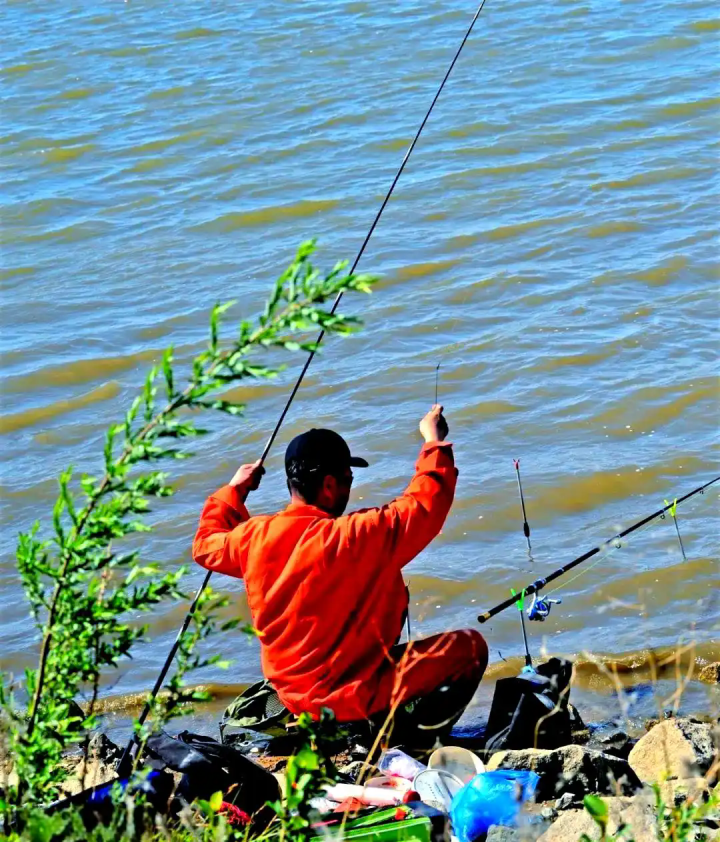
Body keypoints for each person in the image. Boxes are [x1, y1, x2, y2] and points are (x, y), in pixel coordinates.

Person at [192, 405, 488, 746]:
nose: (349, 487)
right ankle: (408, 742)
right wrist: (433, 442)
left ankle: (339, 727)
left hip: (293, 696)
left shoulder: (252, 537)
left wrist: (235, 490)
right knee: (468, 647)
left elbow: (204, 545)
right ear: (330, 485)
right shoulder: (358, 535)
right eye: (348, 479)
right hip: (351, 695)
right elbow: (425, 503)